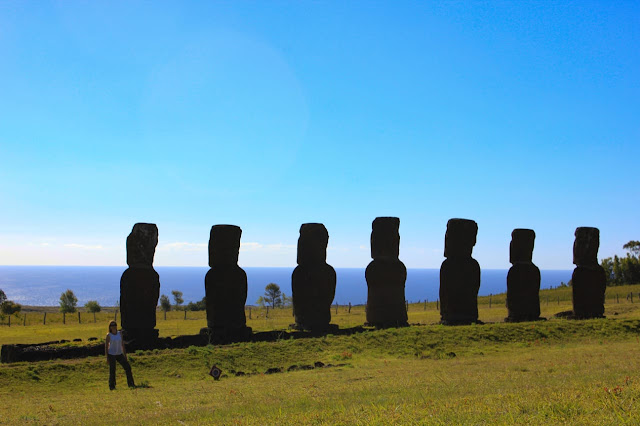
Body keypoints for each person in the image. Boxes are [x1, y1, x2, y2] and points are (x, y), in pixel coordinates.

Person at [105, 320, 135, 390]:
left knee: (127, 367)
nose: (114, 327)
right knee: (112, 370)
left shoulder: (119, 333)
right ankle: (112, 386)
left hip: (119, 353)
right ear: (110, 327)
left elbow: (122, 344)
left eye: (115, 325)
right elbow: (106, 346)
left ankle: (131, 384)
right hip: (111, 354)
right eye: (112, 325)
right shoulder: (109, 335)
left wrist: (125, 355)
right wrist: (107, 357)